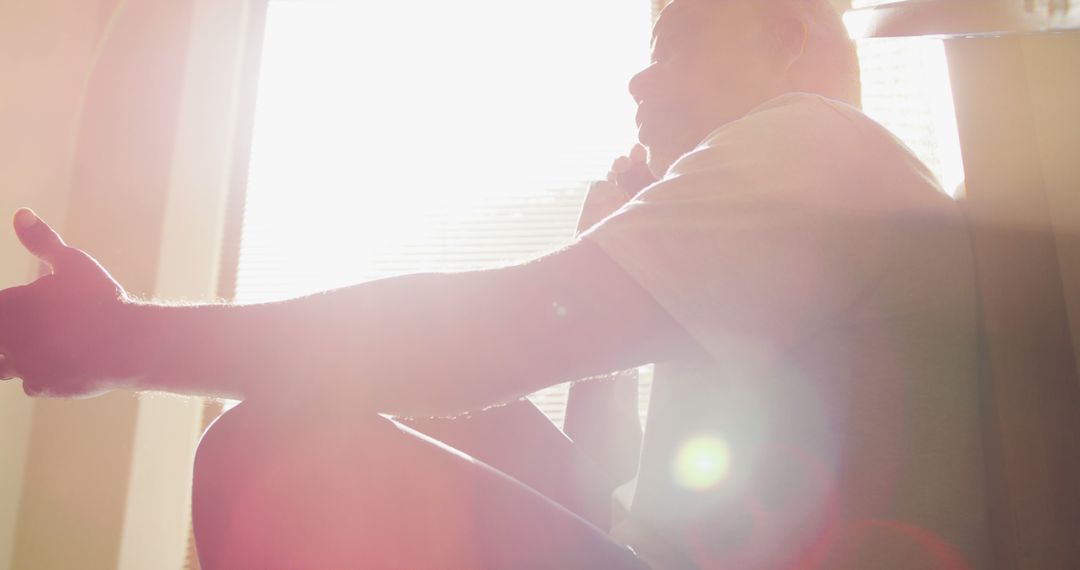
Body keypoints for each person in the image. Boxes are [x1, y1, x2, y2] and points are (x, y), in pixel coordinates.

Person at [0, 0, 990, 567]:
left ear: (784, 35)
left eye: (676, 39)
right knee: (494, 426)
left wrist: (116, 338)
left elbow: (468, 344)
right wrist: (604, 243)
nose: (639, 84)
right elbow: (610, 487)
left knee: (266, 453)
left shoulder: (814, 145)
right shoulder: (790, 229)